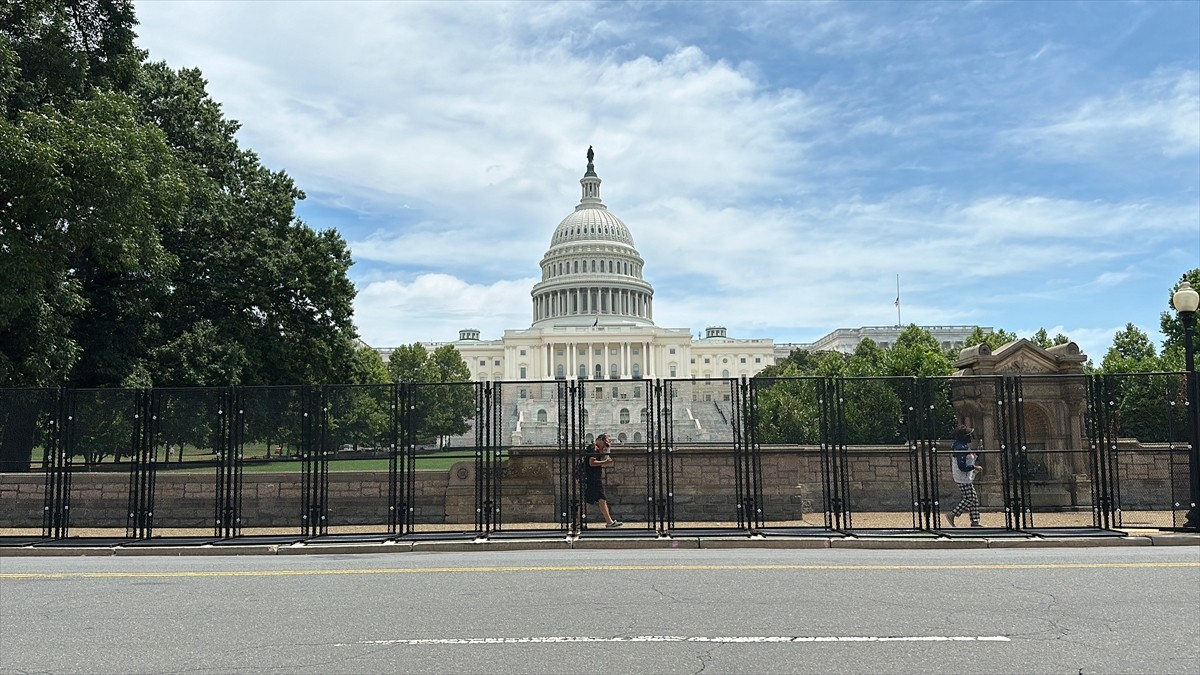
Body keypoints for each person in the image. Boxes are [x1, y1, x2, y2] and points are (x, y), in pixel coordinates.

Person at [580, 433, 622, 528]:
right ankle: (577, 522)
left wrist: (607, 450)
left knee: (599, 499)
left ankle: (609, 522)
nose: (604, 445)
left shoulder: (596, 449)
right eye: (604, 443)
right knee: (591, 500)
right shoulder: (593, 448)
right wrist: (605, 462)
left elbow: (599, 457)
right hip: (592, 479)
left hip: (594, 478)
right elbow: (592, 463)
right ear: (600, 440)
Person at [946, 422, 983, 527]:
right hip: (962, 477)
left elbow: (969, 458)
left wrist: (978, 452)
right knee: (970, 498)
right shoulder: (960, 447)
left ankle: (975, 521)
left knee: (974, 498)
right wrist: (975, 467)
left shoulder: (963, 446)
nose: (970, 437)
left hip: (966, 477)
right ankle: (952, 514)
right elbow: (962, 466)